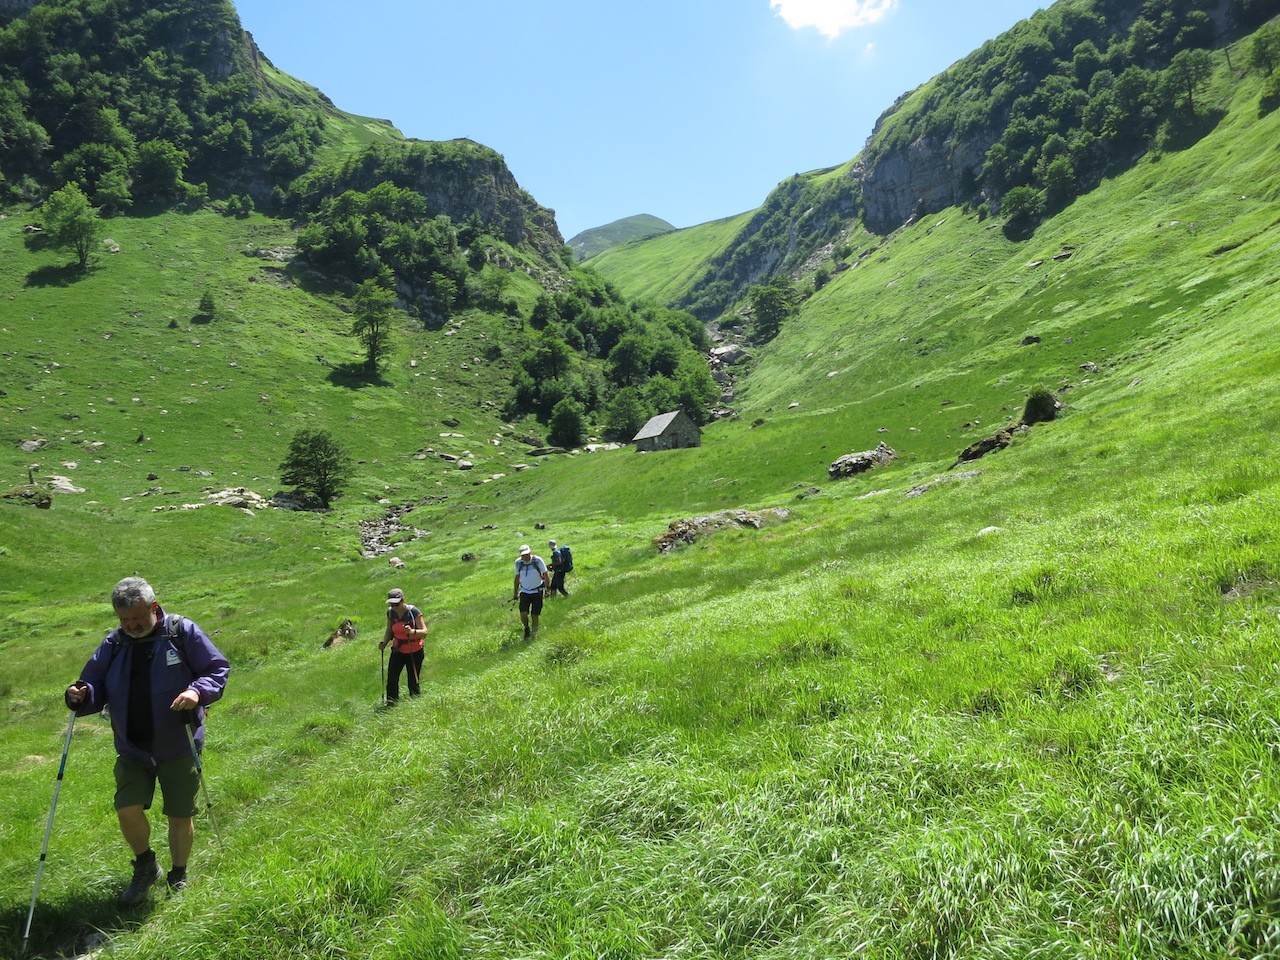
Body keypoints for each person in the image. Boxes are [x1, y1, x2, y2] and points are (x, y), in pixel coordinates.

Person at [64, 577, 230, 906]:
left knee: (179, 814)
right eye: (124, 620)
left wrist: (196, 691)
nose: (132, 625)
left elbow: (217, 669)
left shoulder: (181, 632)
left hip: (178, 744)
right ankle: (145, 865)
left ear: (153, 608)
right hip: (132, 748)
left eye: (138, 618)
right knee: (126, 809)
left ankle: (178, 874)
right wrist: (80, 696)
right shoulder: (114, 643)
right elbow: (93, 684)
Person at [379, 588, 426, 702]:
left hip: (414, 651)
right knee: (392, 678)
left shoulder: (413, 612)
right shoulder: (391, 613)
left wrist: (412, 632)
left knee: (413, 679)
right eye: (391, 603)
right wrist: (384, 643)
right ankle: (391, 703)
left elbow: (424, 632)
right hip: (398, 650)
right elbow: (389, 630)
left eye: (396, 603)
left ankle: (416, 702)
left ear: (403, 600)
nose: (394, 606)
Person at [512, 544, 549, 639]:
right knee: (523, 613)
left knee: (535, 614)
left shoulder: (538, 560)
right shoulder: (518, 563)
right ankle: (526, 628)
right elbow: (517, 578)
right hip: (524, 591)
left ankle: (534, 634)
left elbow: (545, 574)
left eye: (527, 554)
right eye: (523, 555)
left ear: (530, 553)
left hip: (537, 591)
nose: (525, 556)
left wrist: (547, 589)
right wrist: (515, 592)